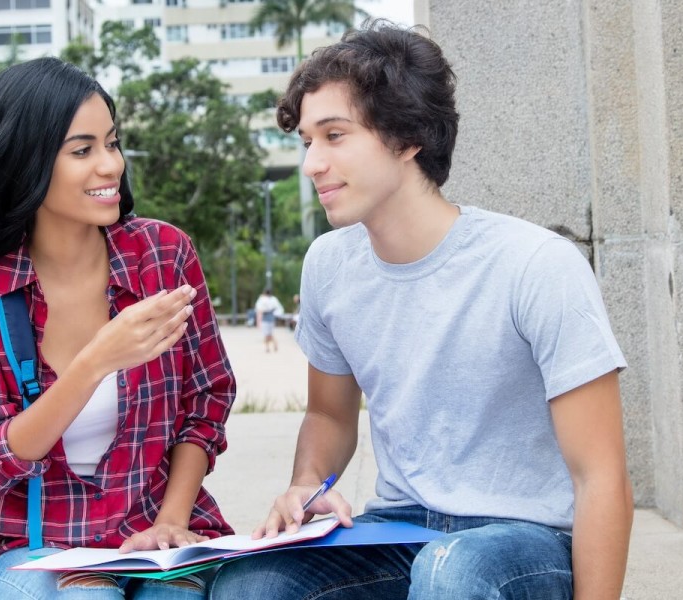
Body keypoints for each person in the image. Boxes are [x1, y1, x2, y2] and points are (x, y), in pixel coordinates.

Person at [210, 19, 632, 600]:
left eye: (335, 136)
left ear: (408, 138)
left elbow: (601, 476)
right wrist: (307, 484)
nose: (311, 164)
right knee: (252, 585)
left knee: (451, 572)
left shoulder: (536, 264)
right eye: (307, 141)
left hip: (526, 540)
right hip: (400, 527)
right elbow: (331, 418)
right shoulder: (330, 265)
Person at [0, 57, 236, 600]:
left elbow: (206, 400)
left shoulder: (162, 256)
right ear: (25, 162)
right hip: (33, 549)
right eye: (82, 150)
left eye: (112, 144)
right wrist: (97, 361)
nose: (110, 165)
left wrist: (170, 521)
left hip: (155, 532)